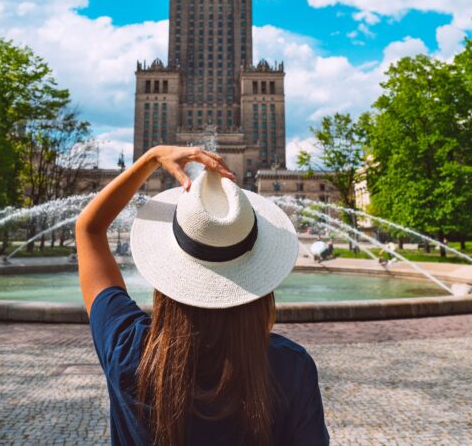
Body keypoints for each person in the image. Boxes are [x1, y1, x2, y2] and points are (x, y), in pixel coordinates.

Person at [76, 145, 329, 446]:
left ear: (169, 269)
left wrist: (152, 157)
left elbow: (89, 229)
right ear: (261, 282)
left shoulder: (129, 349)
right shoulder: (290, 367)